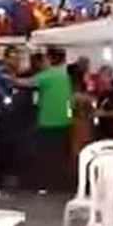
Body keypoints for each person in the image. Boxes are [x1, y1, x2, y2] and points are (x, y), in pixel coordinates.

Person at [17, 48, 73, 192]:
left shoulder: (47, 76)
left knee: (46, 156)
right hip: (64, 121)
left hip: (48, 121)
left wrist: (5, 77)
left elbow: (25, 83)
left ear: (50, 59)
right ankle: (59, 184)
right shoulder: (65, 75)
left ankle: (47, 185)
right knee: (59, 155)